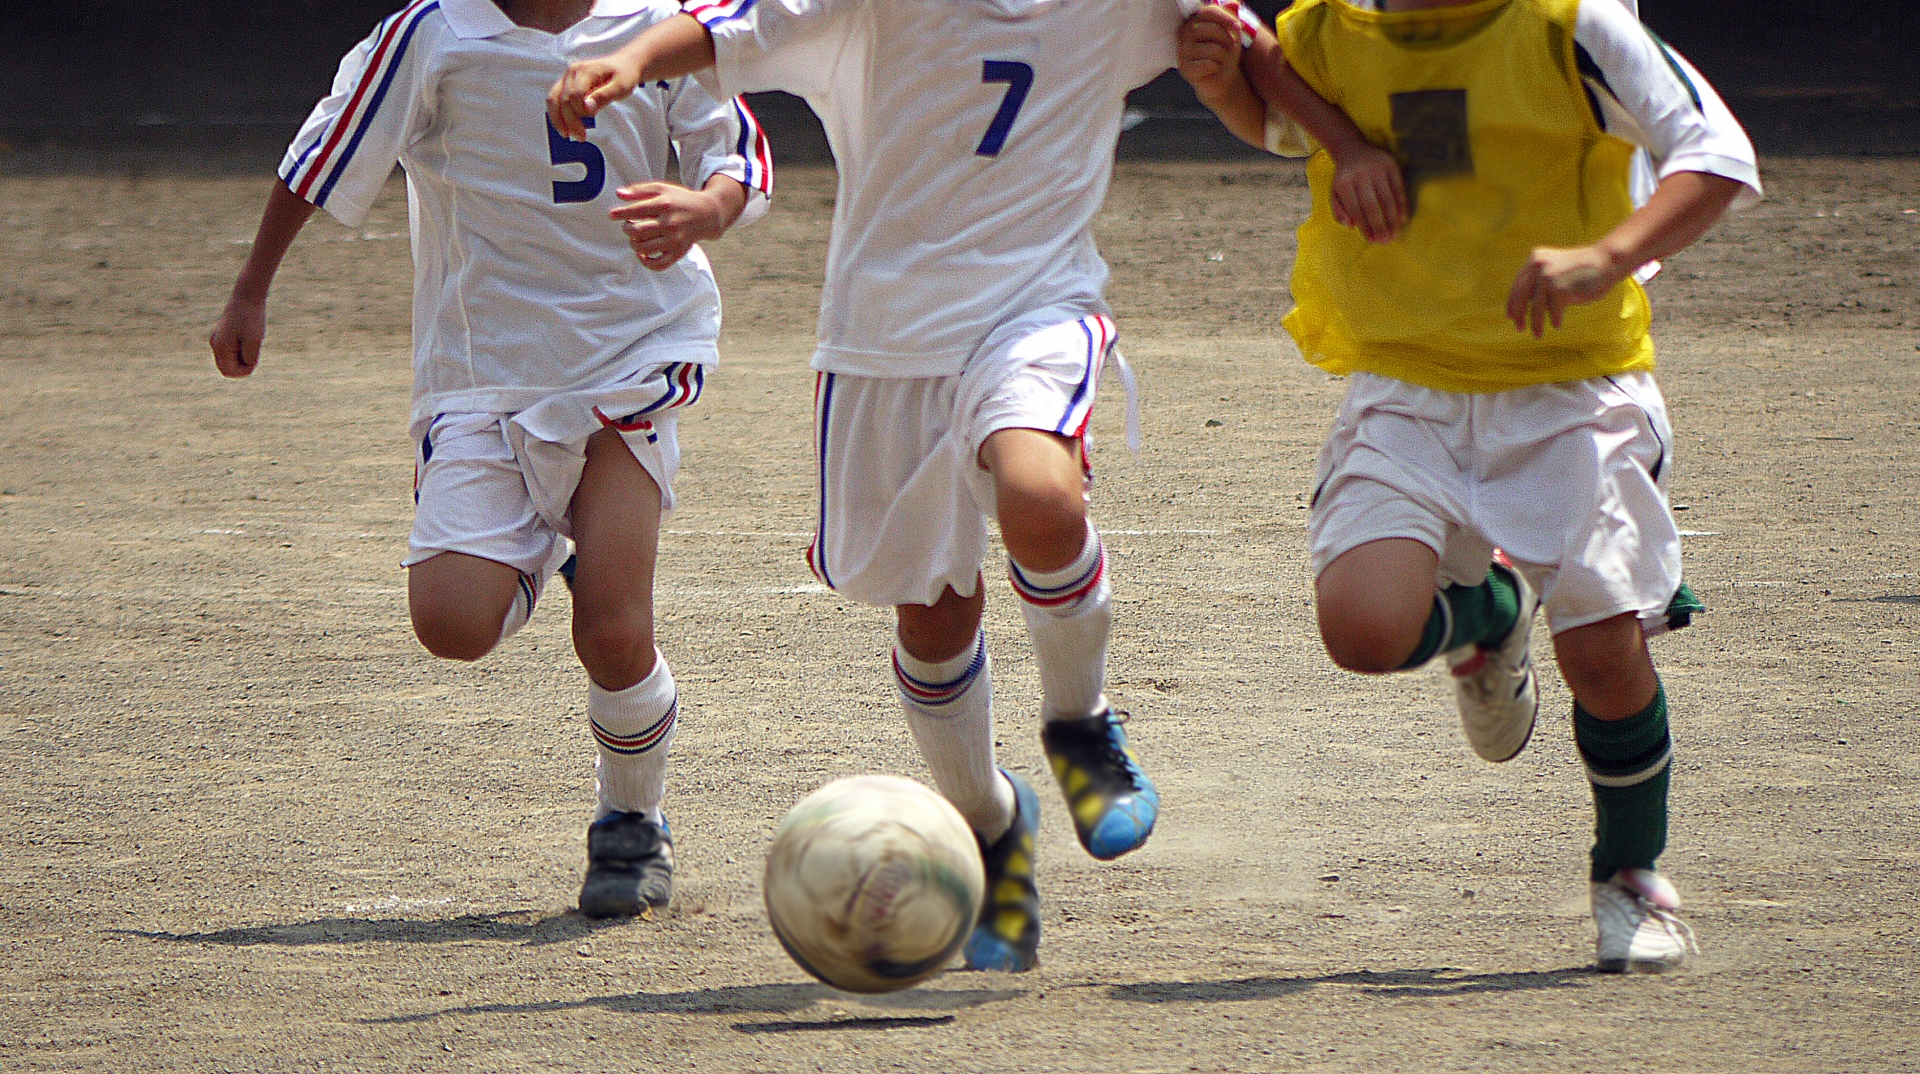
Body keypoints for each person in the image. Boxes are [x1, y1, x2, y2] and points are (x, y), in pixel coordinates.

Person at [548, 0, 1404, 971]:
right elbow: (726, 28)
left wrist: (1316, 130)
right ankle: (994, 826)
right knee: (934, 617)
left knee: (1043, 497)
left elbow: (1256, 66)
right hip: (883, 342)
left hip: (1036, 308)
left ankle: (1081, 724)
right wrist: (627, 58)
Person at [1178, 0, 1760, 971]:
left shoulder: (1570, 25)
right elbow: (1277, 101)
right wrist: (1219, 83)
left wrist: (1607, 254)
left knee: (1602, 660)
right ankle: (1490, 615)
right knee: (1362, 631)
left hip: (1570, 393)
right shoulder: (1335, 28)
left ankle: (1630, 877)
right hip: (1406, 385)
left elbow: (1717, 153)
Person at [209, 0, 771, 919]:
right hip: (484, 371)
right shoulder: (433, 36)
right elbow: (322, 156)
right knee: (452, 624)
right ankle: (550, 540)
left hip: (634, 352)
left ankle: (632, 823)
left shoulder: (661, 26)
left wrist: (705, 208)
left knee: (615, 633)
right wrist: (250, 292)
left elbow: (734, 151)